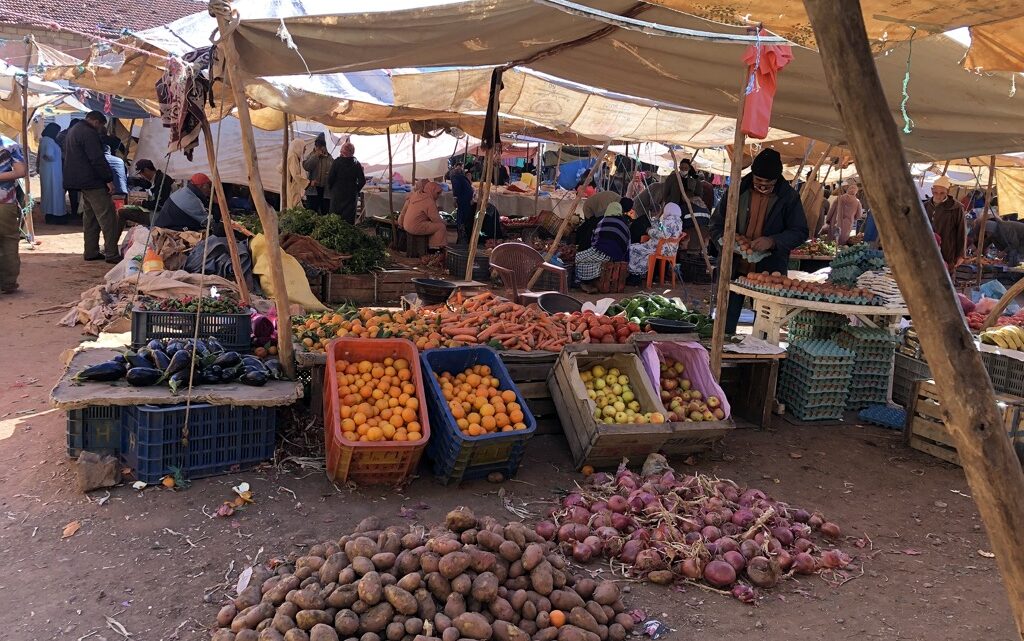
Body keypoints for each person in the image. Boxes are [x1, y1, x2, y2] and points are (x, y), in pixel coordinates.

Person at [710, 148, 809, 334]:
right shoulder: (737, 191)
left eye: (768, 183)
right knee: (725, 321)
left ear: (777, 179)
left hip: (769, 270)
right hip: (734, 266)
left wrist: (773, 241)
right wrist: (723, 239)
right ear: (752, 175)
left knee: (764, 325)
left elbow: (800, 231)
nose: (762, 186)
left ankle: (757, 361)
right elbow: (716, 223)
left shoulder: (788, 197)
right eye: (758, 181)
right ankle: (722, 356)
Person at [64, 111, 119, 263]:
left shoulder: (74, 130)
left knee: (90, 218)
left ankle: (91, 251)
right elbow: (97, 158)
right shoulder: (89, 133)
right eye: (101, 125)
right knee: (108, 218)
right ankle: (112, 253)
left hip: (81, 181)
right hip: (93, 181)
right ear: (96, 122)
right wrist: (108, 179)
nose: (101, 128)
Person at [575, 202, 630, 293]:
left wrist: (595, 248)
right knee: (599, 263)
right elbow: (628, 243)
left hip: (602, 253)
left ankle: (583, 282)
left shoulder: (603, 221)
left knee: (578, 258)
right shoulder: (625, 224)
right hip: (618, 256)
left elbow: (595, 239)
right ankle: (594, 281)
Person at [0, 133, 28, 293]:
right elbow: (20, 171)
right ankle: (8, 283)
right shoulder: (9, 144)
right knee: (8, 239)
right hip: (5, 200)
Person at [628, 202, 684, 276]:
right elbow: (662, 229)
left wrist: (649, 231)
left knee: (633, 248)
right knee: (636, 248)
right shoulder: (678, 221)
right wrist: (655, 222)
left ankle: (635, 273)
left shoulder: (669, 221)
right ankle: (638, 272)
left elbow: (664, 235)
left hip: (662, 248)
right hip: (670, 248)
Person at [925, 175, 966, 271]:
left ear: (947, 191)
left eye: (942, 193)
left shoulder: (956, 208)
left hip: (947, 249)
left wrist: (961, 255)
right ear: (931, 190)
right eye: (935, 192)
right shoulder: (925, 206)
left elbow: (961, 231)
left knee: (945, 276)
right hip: (927, 248)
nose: (938, 196)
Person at [397, 181, 447, 249]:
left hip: (406, 225)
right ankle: (435, 248)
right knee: (441, 227)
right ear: (431, 190)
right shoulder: (429, 201)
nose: (438, 196)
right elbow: (436, 219)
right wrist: (445, 222)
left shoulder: (416, 195)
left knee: (433, 224)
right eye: (437, 193)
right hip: (415, 227)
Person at [327, 141, 366, 223]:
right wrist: (356, 190)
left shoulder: (337, 162)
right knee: (348, 221)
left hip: (337, 195)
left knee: (335, 221)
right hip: (350, 196)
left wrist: (332, 189)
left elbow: (330, 178)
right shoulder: (356, 164)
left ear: (343, 151)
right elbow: (362, 181)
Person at [38, 123, 65, 225]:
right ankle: (56, 216)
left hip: (48, 170)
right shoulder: (49, 141)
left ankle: (50, 215)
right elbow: (49, 154)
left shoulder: (45, 140)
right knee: (55, 192)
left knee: (49, 193)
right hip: (53, 170)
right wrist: (55, 158)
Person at [823, 179, 862, 245]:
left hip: (835, 221)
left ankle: (832, 252)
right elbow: (858, 216)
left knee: (833, 240)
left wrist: (828, 220)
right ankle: (839, 251)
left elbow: (831, 210)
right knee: (842, 241)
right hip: (847, 223)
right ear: (856, 192)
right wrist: (852, 217)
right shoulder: (857, 202)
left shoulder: (839, 198)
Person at [303, 134, 333, 214]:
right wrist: (316, 155)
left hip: (325, 191)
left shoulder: (329, 158)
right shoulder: (311, 155)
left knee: (325, 213)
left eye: (321, 146)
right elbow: (306, 167)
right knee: (311, 213)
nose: (319, 148)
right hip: (313, 190)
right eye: (318, 146)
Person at [57, 118, 80, 217]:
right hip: (68, 166)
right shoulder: (69, 136)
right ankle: (72, 212)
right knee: (72, 189)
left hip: (62, 166)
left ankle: (61, 211)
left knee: (64, 190)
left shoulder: (61, 135)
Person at [448, 163, 474, 243]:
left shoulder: (454, 177)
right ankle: (465, 236)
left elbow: (457, 188)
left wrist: (455, 199)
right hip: (467, 198)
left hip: (463, 199)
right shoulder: (462, 177)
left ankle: (462, 237)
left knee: (462, 218)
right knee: (466, 217)